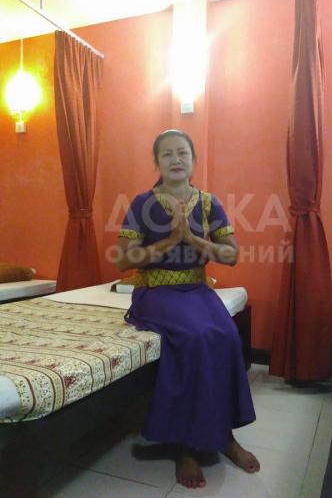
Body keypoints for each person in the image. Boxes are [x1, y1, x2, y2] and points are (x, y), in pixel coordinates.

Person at [116, 129, 260, 489]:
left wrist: (192, 239)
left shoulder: (209, 203)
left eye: (182, 153)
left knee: (227, 336)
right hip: (156, 292)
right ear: (157, 162)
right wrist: (169, 241)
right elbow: (123, 260)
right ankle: (184, 446)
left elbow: (231, 255)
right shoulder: (141, 203)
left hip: (196, 289)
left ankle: (224, 435)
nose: (175, 159)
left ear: (193, 160)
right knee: (194, 338)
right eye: (167, 154)